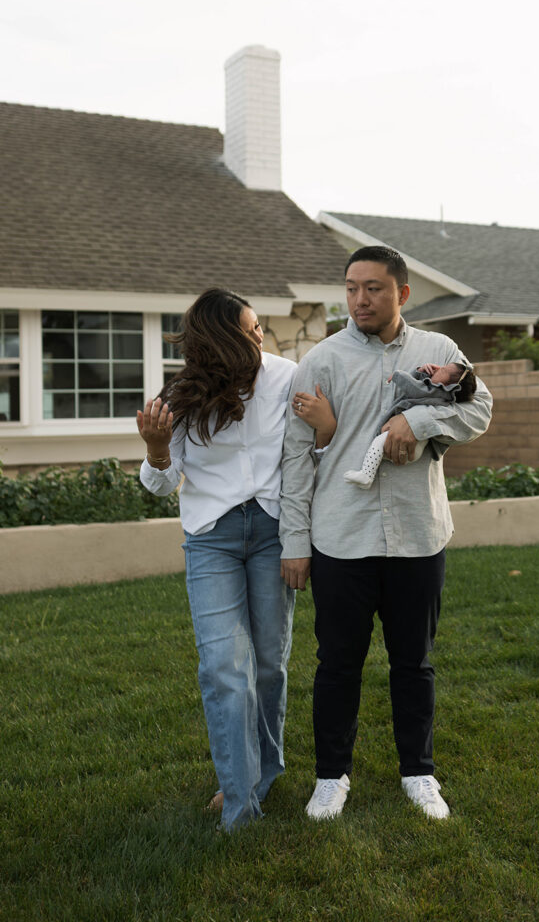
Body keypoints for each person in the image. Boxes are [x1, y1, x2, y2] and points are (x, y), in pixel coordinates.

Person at [279, 247, 492, 821]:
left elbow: (480, 409)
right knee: (337, 665)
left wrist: (415, 421)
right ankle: (330, 777)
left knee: (414, 664)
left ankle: (418, 774)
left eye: (373, 288)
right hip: (341, 539)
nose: (360, 299)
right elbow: (297, 460)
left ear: (401, 293)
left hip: (419, 536)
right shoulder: (320, 361)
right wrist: (295, 543)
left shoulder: (440, 351)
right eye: (351, 288)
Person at [137, 288, 330, 833]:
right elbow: (158, 484)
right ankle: (240, 804)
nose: (258, 337)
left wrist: (298, 538)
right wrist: (155, 451)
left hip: (272, 533)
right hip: (212, 538)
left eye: (258, 327)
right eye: (247, 331)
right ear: (217, 341)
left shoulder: (287, 376)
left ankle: (264, 773)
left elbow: (306, 458)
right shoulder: (179, 395)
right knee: (225, 669)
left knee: (268, 665)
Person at [342, 361, 477, 488]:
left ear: (449, 386)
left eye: (444, 370)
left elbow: (415, 388)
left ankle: (366, 475)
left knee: (378, 442)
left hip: (412, 445)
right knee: (380, 445)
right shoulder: (440, 394)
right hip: (416, 446)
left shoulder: (437, 393)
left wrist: (397, 375)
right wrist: (421, 372)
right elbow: (424, 385)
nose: (439, 368)